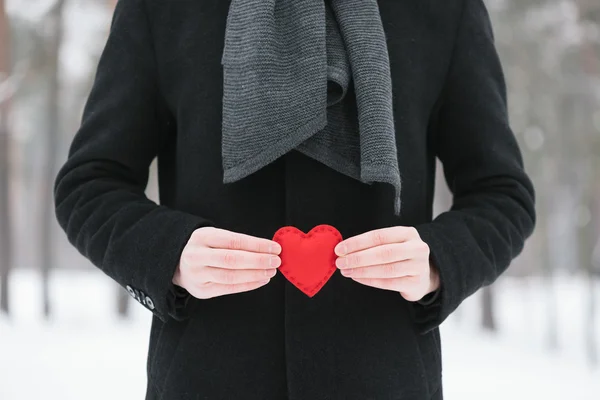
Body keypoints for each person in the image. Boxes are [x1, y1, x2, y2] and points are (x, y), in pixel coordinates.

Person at [53, 0, 536, 399]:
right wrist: (170, 253)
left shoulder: (442, 10)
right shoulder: (166, 9)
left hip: (385, 381)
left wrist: (438, 260)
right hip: (205, 380)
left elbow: (502, 194)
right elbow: (90, 184)